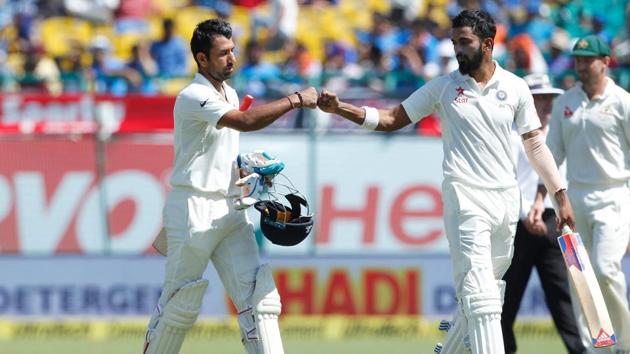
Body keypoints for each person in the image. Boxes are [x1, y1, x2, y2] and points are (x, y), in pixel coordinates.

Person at [317, 9, 575, 354]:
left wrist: (560, 195)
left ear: (487, 44)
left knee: (486, 294)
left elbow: (535, 145)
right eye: (454, 43)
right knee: (483, 298)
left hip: (506, 203)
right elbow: (393, 118)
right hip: (465, 198)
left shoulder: (515, 87)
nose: (457, 50)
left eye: (464, 42)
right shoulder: (444, 87)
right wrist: (341, 109)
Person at [142, 18, 317, 354]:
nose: (232, 58)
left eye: (232, 51)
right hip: (195, 209)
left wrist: (249, 167)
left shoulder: (231, 92)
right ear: (202, 59)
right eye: (222, 54)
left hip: (231, 208)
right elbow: (246, 122)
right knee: (178, 305)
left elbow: (222, 149)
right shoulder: (193, 95)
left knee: (259, 300)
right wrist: (295, 99)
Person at [530, 35, 630, 354]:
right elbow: (552, 156)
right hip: (574, 200)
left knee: (604, 268)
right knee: (581, 277)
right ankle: (597, 347)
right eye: (578, 60)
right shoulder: (565, 103)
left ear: (606, 61)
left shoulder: (623, 102)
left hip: (614, 195)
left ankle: (624, 344)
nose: (582, 66)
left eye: (589, 60)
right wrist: (539, 199)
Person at [501, 73, 584, 354]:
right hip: (518, 224)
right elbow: (507, 181)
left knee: (563, 295)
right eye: (540, 99)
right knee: (508, 297)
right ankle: (504, 349)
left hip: (553, 222)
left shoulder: (558, 134)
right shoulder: (512, 137)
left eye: (549, 98)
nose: (547, 105)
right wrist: (526, 213)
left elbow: (564, 180)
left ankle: (579, 349)